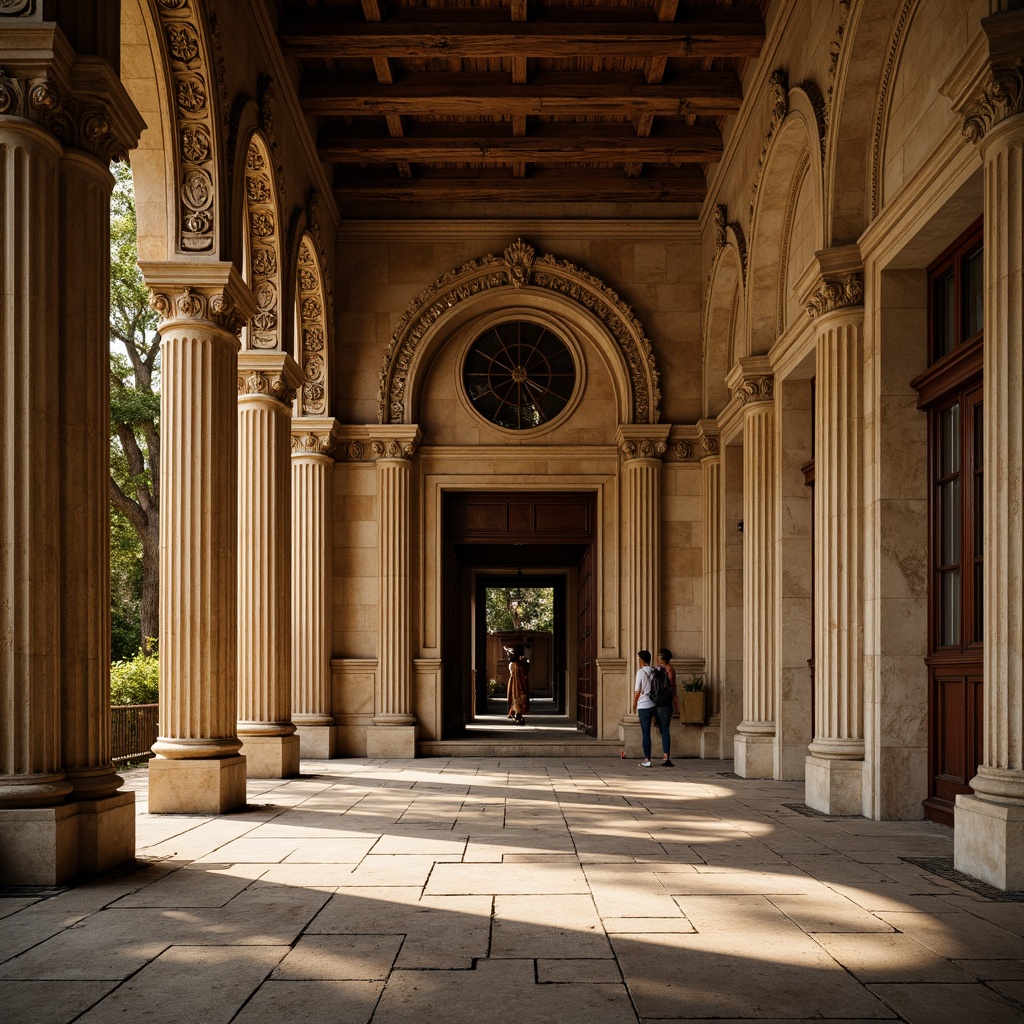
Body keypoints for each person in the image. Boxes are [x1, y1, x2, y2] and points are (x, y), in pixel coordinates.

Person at [655, 648, 681, 767]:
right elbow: (673, 689)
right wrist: (676, 706)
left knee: (663, 730)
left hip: (659, 703)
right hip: (665, 704)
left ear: (662, 659)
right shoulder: (670, 669)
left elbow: (671, 688)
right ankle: (666, 756)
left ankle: (666, 756)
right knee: (664, 730)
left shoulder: (660, 670)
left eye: (659, 657)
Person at [631, 649, 656, 767]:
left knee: (646, 733)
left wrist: (634, 704)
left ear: (641, 660)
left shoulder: (640, 672)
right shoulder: (655, 671)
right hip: (655, 704)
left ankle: (647, 759)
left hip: (644, 705)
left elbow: (637, 691)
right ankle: (665, 756)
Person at [507, 653, 528, 725]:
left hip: (515, 682)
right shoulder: (515, 665)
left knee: (515, 699)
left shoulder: (513, 665)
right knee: (516, 698)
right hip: (516, 682)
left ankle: (517, 715)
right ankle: (517, 715)